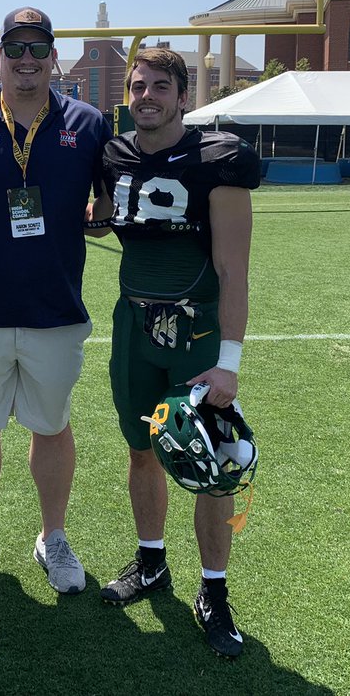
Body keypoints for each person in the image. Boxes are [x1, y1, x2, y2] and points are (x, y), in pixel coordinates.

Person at [94, 47, 260, 658]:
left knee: (211, 468)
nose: (146, 96)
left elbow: (233, 269)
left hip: (196, 333)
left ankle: (214, 591)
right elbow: (112, 213)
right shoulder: (113, 154)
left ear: (183, 96)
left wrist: (230, 361)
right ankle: (152, 562)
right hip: (134, 328)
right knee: (144, 450)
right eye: (137, 86)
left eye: (159, 86)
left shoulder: (217, 157)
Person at [0, 7, 112, 598]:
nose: (26, 60)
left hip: (55, 307)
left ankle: (54, 536)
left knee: (52, 427)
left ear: (53, 58)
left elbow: (111, 194)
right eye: (15, 48)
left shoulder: (89, 124)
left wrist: (103, 210)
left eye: (38, 49)